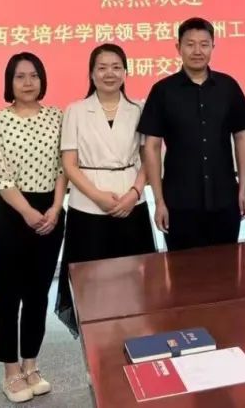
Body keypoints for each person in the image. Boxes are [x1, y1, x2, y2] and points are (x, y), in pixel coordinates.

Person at [55, 43, 155, 335]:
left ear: (125, 72)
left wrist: (135, 193)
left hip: (131, 204)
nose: (109, 73)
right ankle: (97, 344)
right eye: (102, 68)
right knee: (91, 284)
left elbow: (149, 158)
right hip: (88, 207)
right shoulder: (75, 110)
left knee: (135, 282)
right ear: (91, 73)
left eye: (116, 67)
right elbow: (69, 164)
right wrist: (98, 196)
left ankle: (136, 338)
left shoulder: (139, 109)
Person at [0, 52, 66, 404]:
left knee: (38, 294)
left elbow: (65, 166)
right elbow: (1, 176)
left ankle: (31, 365)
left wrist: (56, 208)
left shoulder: (57, 117)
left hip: (51, 213)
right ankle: (10, 372)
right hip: (12, 214)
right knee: (7, 296)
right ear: (10, 82)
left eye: (34, 75)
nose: (28, 82)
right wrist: (28, 213)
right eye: (20, 77)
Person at [139, 17, 245, 251]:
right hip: (179, 203)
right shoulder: (162, 91)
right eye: (190, 44)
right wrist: (159, 201)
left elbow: (241, 136)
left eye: (204, 44)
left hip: (225, 199)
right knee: (182, 271)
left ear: (213, 47)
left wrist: (242, 189)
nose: (197, 51)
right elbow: (152, 146)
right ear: (178, 47)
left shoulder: (228, 87)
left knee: (226, 267)